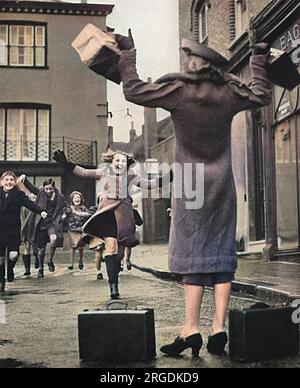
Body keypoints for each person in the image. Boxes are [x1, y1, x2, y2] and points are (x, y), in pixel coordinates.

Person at [115, 32, 272, 357]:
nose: (184, 62)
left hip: (190, 186)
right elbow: (261, 95)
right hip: (221, 185)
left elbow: (132, 90)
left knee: (192, 255)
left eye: (187, 58)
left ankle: (190, 328)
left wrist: (128, 54)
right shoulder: (228, 92)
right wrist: (258, 60)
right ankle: (219, 327)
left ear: (194, 62)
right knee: (221, 253)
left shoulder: (179, 91)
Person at [53, 149, 172, 300]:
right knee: (111, 246)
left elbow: (148, 184)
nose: (119, 163)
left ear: (126, 163)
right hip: (107, 214)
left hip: (124, 217)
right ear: (112, 162)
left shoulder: (131, 176)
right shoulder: (104, 172)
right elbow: (83, 172)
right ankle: (113, 286)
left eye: (123, 161)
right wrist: (66, 164)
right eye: (117, 160)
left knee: (120, 254)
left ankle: (114, 273)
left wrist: (167, 178)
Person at [0, 171, 47, 292]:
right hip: (0, 230)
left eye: (11, 180)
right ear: (1, 182)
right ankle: (1, 280)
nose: (9, 182)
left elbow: (29, 204)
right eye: (6, 180)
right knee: (0, 259)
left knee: (13, 255)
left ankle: (10, 269)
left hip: (13, 230)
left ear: (14, 182)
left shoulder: (18, 194)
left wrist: (40, 210)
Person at [19, 175, 67, 279]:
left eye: (50, 189)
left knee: (54, 239)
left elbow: (66, 206)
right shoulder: (40, 193)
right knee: (41, 249)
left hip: (52, 223)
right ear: (43, 188)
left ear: (53, 188)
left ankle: (49, 260)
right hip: (40, 224)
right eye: (46, 189)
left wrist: (66, 212)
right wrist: (25, 179)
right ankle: (41, 268)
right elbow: (31, 187)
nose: (48, 191)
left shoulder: (60, 197)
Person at [65, 191, 90, 271]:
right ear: (72, 199)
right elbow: (65, 215)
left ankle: (80, 260)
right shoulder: (69, 208)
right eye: (75, 197)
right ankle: (71, 263)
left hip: (81, 228)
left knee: (81, 245)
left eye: (78, 197)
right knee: (73, 246)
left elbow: (87, 215)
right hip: (72, 229)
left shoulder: (83, 208)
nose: (77, 199)